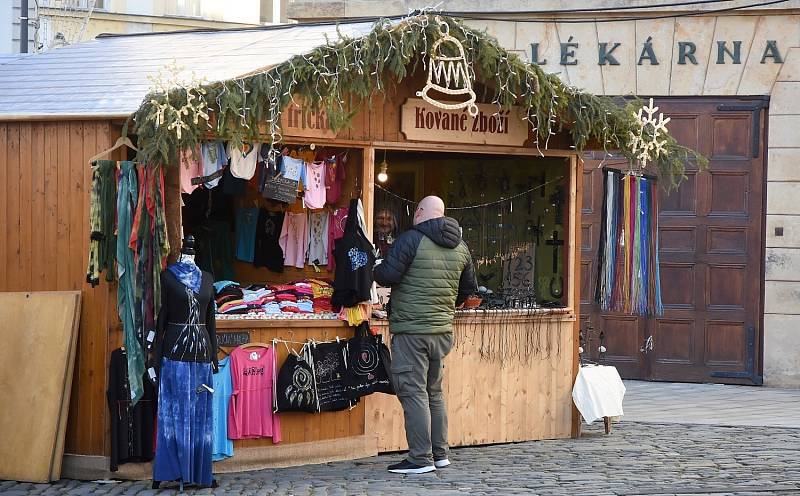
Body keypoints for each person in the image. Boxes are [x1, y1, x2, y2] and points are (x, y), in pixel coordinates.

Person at [374, 195, 477, 474]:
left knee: (413, 391)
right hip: (441, 331)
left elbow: (386, 276)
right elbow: (469, 289)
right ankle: (440, 454)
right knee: (434, 392)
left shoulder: (411, 239)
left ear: (420, 212)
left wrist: (373, 267)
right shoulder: (461, 246)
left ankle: (420, 458)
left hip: (412, 330)